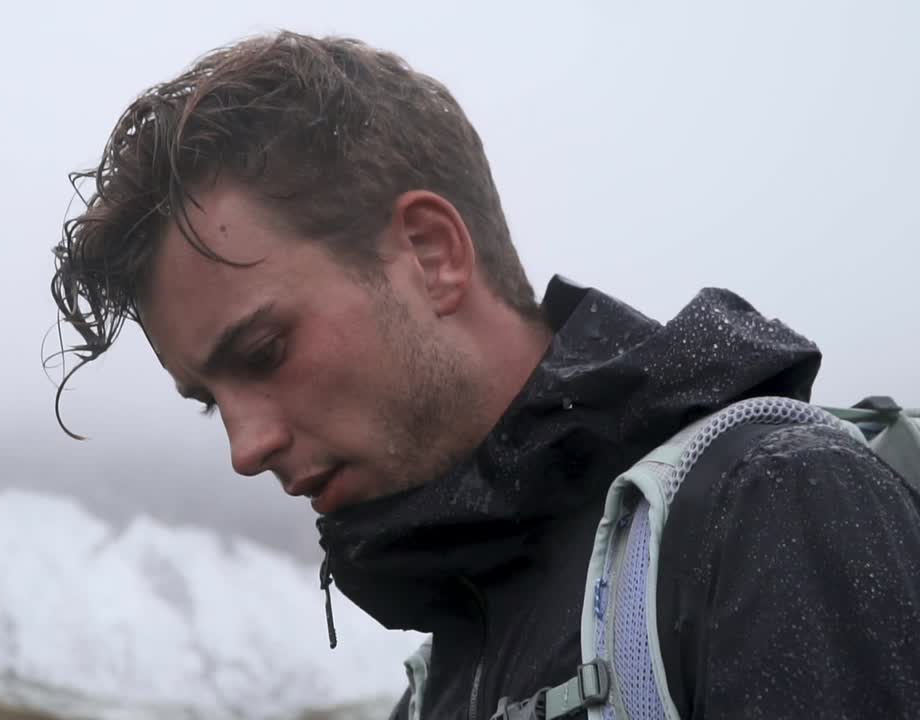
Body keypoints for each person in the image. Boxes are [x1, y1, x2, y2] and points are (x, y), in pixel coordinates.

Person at [48, 30, 920, 719]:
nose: (247, 448)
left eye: (265, 353)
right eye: (210, 404)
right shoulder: (443, 671)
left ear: (431, 255)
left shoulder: (771, 504)